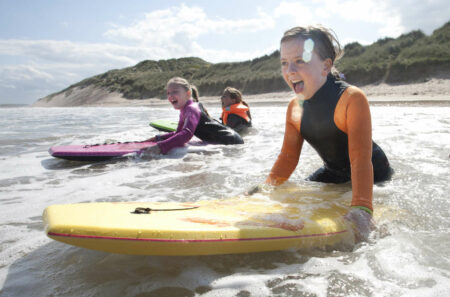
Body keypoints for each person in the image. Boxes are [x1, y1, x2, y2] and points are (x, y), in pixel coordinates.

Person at [262, 25, 393, 241]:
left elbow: (360, 159)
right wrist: (265, 191)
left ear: (325, 66)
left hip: (374, 174)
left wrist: (363, 208)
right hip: (333, 173)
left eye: (300, 60)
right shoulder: (294, 108)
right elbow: (287, 158)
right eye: (284, 63)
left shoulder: (351, 98)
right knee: (298, 197)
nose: (290, 70)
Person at [144, 77, 243, 155]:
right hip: (230, 138)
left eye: (175, 91)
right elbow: (179, 133)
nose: (170, 95)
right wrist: (158, 138)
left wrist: (160, 147)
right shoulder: (185, 109)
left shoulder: (191, 109)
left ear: (188, 94)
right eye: (168, 93)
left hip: (231, 140)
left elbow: (186, 135)